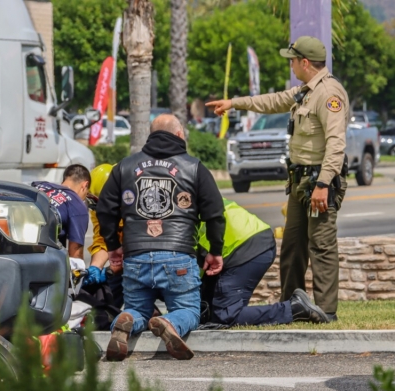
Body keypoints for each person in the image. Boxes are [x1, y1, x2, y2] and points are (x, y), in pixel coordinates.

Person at [206, 36, 348, 322]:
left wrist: (323, 185)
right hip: (299, 182)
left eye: (293, 60)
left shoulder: (329, 94)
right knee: (293, 248)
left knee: (320, 245)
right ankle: (291, 308)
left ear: (305, 63)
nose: (292, 65)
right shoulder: (306, 92)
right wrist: (234, 103)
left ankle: (328, 311)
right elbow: (273, 101)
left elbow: (336, 144)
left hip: (318, 182)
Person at [97, 114, 225, 361]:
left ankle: (126, 321)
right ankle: (170, 322)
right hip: (178, 255)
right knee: (188, 310)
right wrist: (215, 250)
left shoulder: (124, 166)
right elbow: (215, 214)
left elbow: (105, 209)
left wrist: (113, 247)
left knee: (137, 309)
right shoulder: (194, 167)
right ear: (179, 135)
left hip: (135, 256)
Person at [199, 198, 328, 328]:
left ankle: (295, 308)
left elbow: (189, 273)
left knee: (225, 316)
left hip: (247, 248)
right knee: (207, 312)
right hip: (252, 239)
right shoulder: (191, 191)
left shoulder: (182, 220)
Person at [84, 163, 124, 309]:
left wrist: (115, 266)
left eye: (97, 202)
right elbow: (102, 239)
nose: (96, 208)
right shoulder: (98, 210)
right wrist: (95, 267)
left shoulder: (133, 205)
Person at [32, 164, 90, 259]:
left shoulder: (40, 186)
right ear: (85, 185)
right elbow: (75, 256)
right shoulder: (78, 205)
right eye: (86, 194)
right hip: (42, 257)